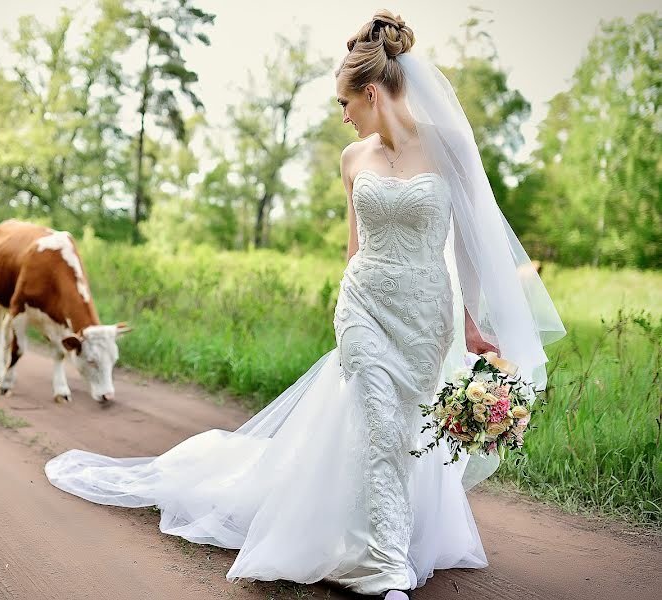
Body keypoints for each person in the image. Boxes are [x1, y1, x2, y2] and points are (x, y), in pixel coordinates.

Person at [44, 10, 565, 600]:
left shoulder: (448, 149)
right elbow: (353, 250)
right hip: (364, 305)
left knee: (402, 430)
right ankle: (386, 566)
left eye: (346, 103)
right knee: (374, 415)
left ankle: (375, 531)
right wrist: (349, 310)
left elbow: (468, 248)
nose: (343, 115)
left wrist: (472, 326)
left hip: (425, 315)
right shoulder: (353, 160)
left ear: (371, 92)